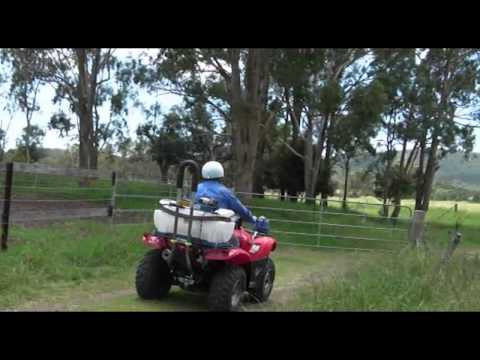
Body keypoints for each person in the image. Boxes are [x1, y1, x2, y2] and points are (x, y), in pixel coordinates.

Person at [195, 161, 257, 226]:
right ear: (221, 174)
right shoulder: (225, 192)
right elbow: (240, 210)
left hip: (193, 226)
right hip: (217, 229)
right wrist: (253, 219)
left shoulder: (195, 188)